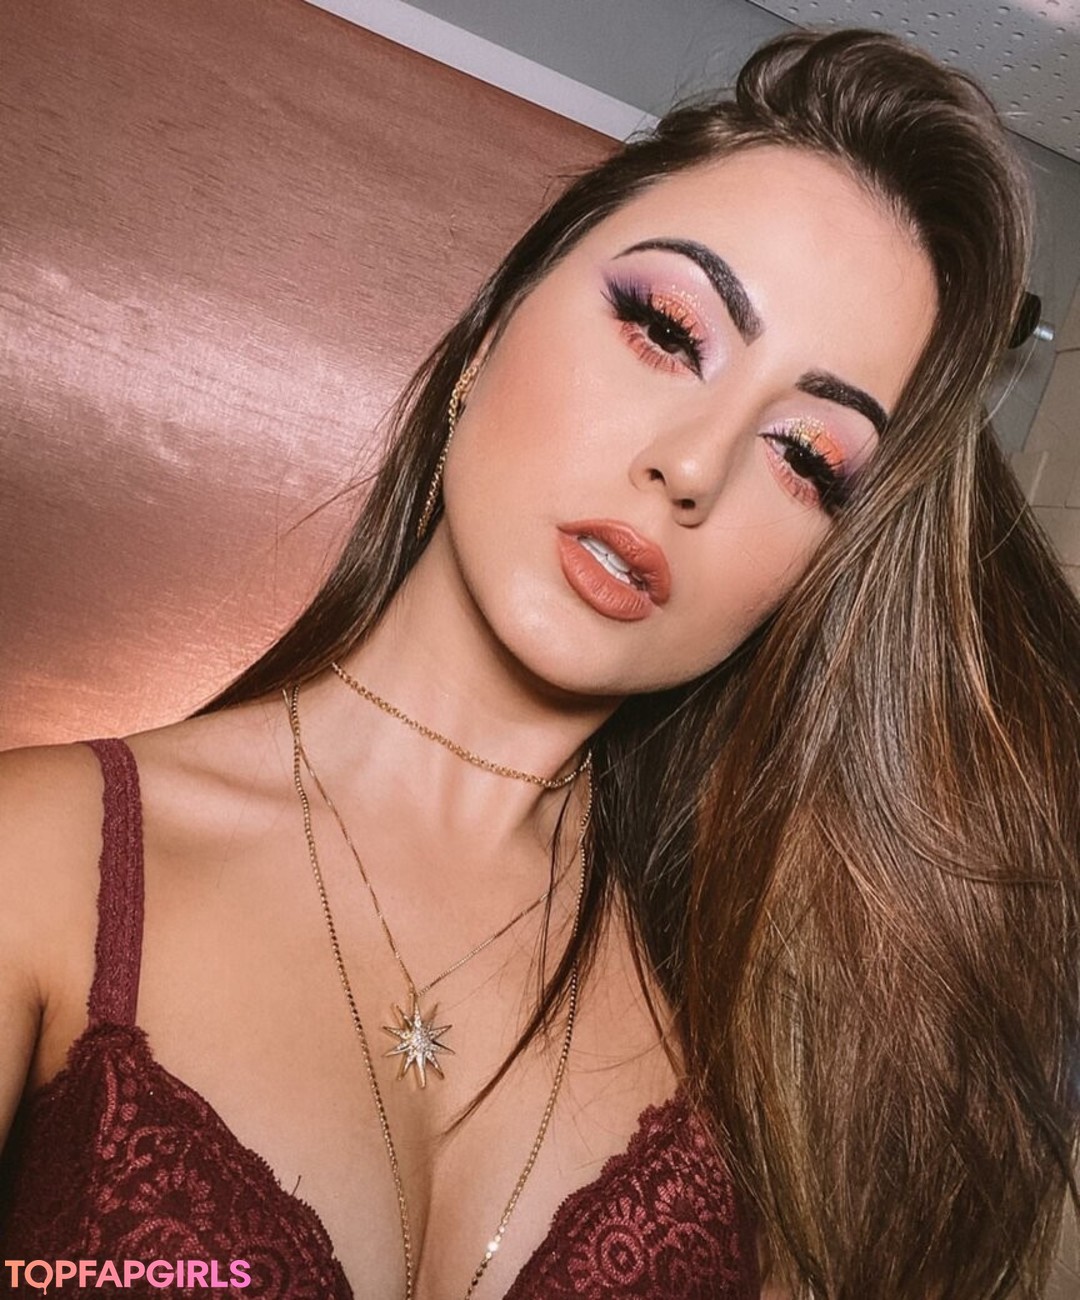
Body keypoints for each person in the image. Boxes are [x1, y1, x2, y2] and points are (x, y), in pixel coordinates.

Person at [2, 24, 1078, 1300]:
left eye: (806, 457)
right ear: (493, 327)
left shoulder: (767, 1040)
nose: (694, 465)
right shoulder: (44, 858)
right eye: (666, 328)